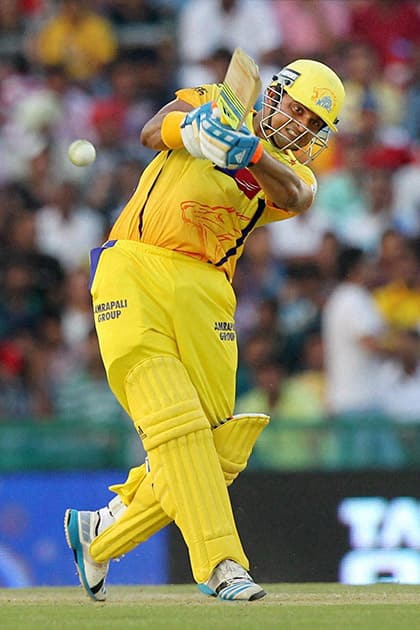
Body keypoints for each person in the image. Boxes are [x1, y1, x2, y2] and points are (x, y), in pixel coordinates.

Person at [63, 57, 345, 602]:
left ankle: (99, 535)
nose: (302, 127)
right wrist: (193, 131)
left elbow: (296, 195)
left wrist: (250, 151)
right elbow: (151, 131)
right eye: (299, 110)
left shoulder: (292, 170)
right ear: (275, 93)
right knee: (176, 424)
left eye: (315, 125)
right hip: (134, 266)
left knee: (220, 450)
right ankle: (222, 565)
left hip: (208, 292)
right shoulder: (218, 96)